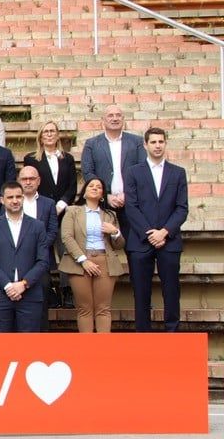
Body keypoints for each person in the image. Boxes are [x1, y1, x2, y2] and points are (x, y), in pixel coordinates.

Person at [124, 127, 189, 332]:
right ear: (145, 145)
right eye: (153, 142)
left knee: (171, 291)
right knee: (141, 292)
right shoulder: (133, 172)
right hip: (140, 241)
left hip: (169, 241)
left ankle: (172, 333)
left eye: (161, 141)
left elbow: (182, 208)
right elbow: (131, 207)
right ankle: (144, 336)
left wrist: (164, 232)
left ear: (165, 143)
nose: (157, 145)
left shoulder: (178, 173)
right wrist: (149, 233)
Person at [0, 182, 49, 333]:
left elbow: (43, 261)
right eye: (10, 197)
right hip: (0, 295)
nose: (15, 200)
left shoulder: (38, 226)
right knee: (1, 349)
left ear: (23, 198)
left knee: (29, 349)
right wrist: (8, 286)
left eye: (18, 196)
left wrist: (23, 284)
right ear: (3, 200)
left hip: (30, 296)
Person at [58, 178, 124, 333]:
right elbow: (67, 237)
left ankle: (103, 350)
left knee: (103, 308)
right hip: (79, 262)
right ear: (85, 192)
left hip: (105, 261)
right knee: (84, 308)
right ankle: (87, 350)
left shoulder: (110, 215)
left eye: (99, 187)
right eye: (91, 186)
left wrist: (115, 232)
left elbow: (119, 245)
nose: (95, 188)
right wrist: (83, 260)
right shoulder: (73, 211)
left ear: (102, 194)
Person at [80, 105, 146, 231]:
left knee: (133, 245)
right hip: (102, 203)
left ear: (123, 119)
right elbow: (88, 172)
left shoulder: (137, 142)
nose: (115, 118)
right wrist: (105, 195)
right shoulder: (92, 144)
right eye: (110, 115)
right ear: (103, 120)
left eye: (118, 115)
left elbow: (143, 170)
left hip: (132, 202)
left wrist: (127, 194)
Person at [18, 164, 61, 316]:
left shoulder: (48, 203)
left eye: (31, 179)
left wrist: (39, 248)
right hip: (15, 260)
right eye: (24, 179)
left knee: (41, 301)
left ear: (38, 181)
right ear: (19, 181)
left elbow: (52, 230)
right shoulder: (12, 202)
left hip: (41, 260)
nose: (28, 182)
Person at [23, 120, 77, 215]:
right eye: (46, 131)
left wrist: (61, 205)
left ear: (57, 136)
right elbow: (29, 185)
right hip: (40, 209)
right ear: (41, 137)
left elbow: (72, 186)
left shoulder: (68, 159)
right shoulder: (30, 159)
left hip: (64, 210)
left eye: (52, 131)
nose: (49, 134)